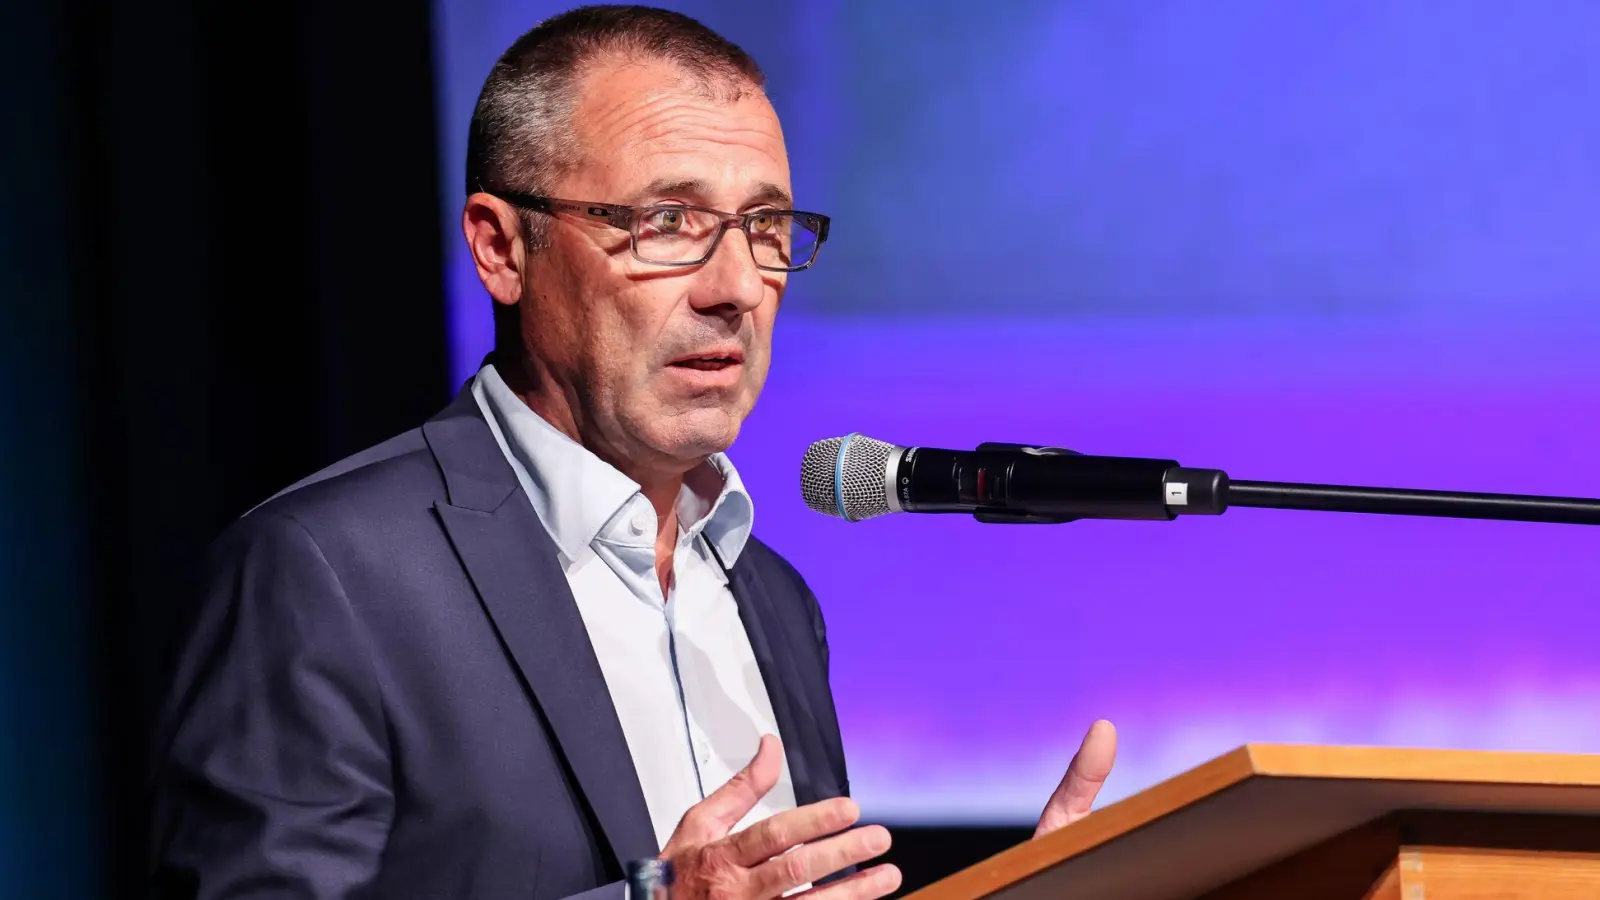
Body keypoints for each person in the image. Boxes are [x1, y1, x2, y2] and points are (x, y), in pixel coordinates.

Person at [147, 6, 1118, 899]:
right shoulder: (325, 574)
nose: (736, 285)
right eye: (668, 223)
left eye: (767, 226)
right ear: (500, 248)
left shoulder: (772, 598)